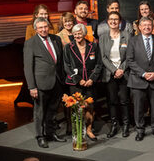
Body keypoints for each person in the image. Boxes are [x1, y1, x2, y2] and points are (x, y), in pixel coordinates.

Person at [24, 17, 66, 148]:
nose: (43, 29)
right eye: (40, 27)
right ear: (36, 29)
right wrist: (32, 86)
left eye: (45, 27)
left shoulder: (56, 39)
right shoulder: (31, 43)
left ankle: (50, 133)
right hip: (40, 84)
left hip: (57, 81)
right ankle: (40, 136)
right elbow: (27, 67)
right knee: (39, 112)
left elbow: (59, 61)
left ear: (49, 27)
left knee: (52, 110)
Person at [126, 17, 154, 141]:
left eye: (149, 25)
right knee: (138, 108)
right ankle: (140, 130)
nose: (147, 27)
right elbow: (130, 60)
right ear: (139, 27)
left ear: (153, 27)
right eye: (144, 25)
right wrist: (143, 74)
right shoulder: (133, 40)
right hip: (138, 80)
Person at [64, 23, 102, 141]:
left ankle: (89, 130)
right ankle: (78, 131)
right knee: (77, 108)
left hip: (90, 82)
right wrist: (78, 79)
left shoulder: (93, 46)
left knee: (90, 107)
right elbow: (67, 66)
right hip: (75, 84)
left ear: (84, 34)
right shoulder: (68, 47)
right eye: (75, 34)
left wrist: (92, 78)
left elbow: (99, 64)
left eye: (79, 33)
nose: (77, 36)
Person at [99, 12, 131, 138]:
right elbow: (103, 57)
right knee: (112, 101)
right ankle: (114, 125)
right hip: (109, 73)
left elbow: (130, 56)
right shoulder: (103, 37)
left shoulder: (127, 35)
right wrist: (114, 70)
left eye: (116, 19)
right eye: (111, 19)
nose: (113, 21)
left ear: (120, 21)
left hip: (124, 73)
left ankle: (126, 125)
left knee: (124, 100)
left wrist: (121, 69)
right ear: (107, 21)